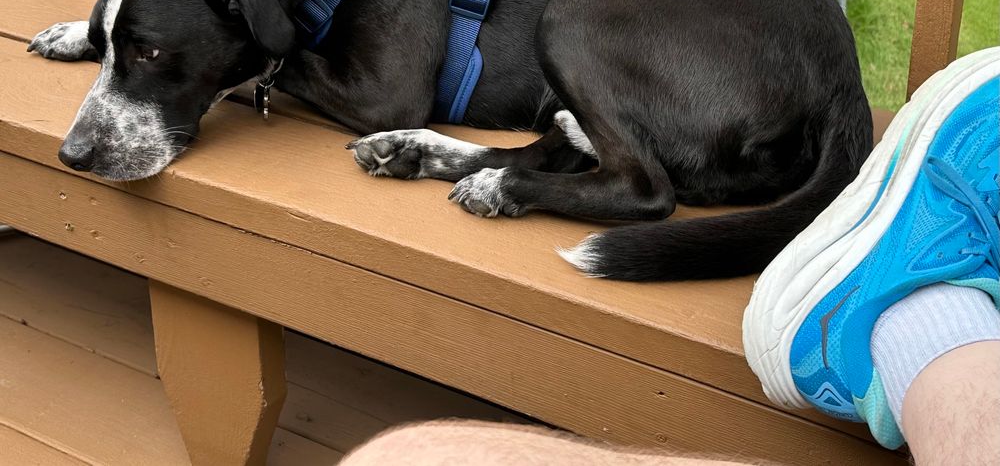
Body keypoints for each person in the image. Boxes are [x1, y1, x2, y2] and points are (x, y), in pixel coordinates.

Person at [342, 47, 1000, 465]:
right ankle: (933, 337)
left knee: (404, 457)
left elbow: (385, 94)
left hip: (742, 97)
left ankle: (918, 328)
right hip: (732, 103)